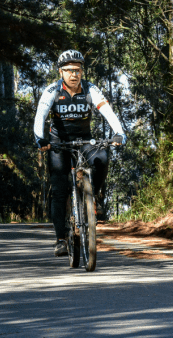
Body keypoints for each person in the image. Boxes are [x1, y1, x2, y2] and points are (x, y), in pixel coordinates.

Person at [33, 50, 126, 257]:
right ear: (60, 72)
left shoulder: (91, 89)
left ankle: (93, 197)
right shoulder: (52, 91)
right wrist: (40, 139)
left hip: (84, 140)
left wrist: (119, 133)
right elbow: (40, 116)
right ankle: (60, 239)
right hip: (58, 143)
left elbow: (107, 111)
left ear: (82, 71)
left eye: (77, 70)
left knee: (102, 158)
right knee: (59, 190)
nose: (74, 74)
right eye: (69, 70)